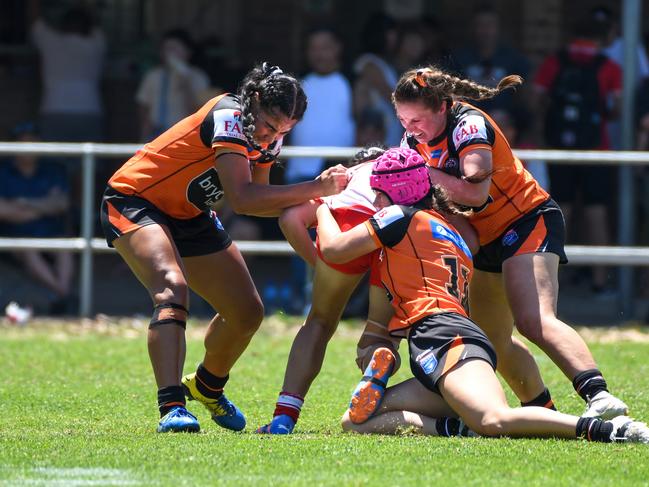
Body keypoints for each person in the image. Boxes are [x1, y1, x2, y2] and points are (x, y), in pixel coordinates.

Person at [317, 147, 649, 444]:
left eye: (376, 193)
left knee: (494, 419)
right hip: (441, 338)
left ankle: (610, 430)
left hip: (444, 335)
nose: (373, 202)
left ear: (395, 192)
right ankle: (455, 428)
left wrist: (323, 206)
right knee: (356, 421)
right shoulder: (449, 229)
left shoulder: (397, 216)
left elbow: (333, 250)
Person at [99, 62, 348, 433]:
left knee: (246, 312)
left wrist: (323, 210)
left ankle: (207, 386)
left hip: (189, 214)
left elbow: (261, 198)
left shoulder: (269, 134)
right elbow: (243, 198)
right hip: (136, 200)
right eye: (268, 123)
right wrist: (316, 188)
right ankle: (172, 407)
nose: (271, 135)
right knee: (172, 289)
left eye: (284, 130)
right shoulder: (229, 115)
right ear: (255, 100)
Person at [391, 65, 629, 419]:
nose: (410, 130)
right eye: (403, 120)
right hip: (483, 236)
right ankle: (542, 410)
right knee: (491, 342)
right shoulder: (413, 140)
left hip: (526, 219)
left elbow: (475, 191)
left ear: (442, 107)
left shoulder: (468, 124)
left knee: (534, 320)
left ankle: (599, 396)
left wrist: (423, 174)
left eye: (417, 121)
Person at [256, 146, 400, 434]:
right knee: (380, 333)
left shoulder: (343, 178)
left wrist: (318, 262)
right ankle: (375, 362)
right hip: (398, 227)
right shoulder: (406, 168)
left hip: (347, 221)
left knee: (320, 322)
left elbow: (289, 219)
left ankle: (284, 416)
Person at [532, 17, 622, 294]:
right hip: (597, 150)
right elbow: (617, 108)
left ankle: (552, 283)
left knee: (560, 212)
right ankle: (600, 282)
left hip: (560, 149)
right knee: (596, 213)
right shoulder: (609, 67)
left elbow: (535, 99)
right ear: (604, 36)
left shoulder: (555, 61)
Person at [283, 25, 356, 310]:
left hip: (341, 176)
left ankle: (335, 298)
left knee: (338, 236)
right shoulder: (299, 86)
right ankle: (300, 298)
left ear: (337, 48)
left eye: (325, 46)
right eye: (313, 48)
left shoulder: (350, 83)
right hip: (302, 173)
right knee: (298, 233)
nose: (319, 53)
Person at [0, 122, 75, 315]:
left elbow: (61, 203)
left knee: (64, 247)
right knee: (29, 249)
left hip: (50, 232)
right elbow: (5, 211)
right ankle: (63, 294)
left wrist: (23, 203)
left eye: (32, 142)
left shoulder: (52, 169)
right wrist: (44, 205)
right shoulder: (3, 171)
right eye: (22, 143)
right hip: (17, 235)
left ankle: (60, 294)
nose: (28, 148)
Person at [28, 0, 105, 143]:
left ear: (62, 26)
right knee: (88, 161)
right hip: (89, 110)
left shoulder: (50, 41)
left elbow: (35, 22)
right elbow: (96, 20)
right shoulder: (96, 44)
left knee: (55, 160)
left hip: (54, 108)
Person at [136, 29, 210, 141]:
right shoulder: (153, 76)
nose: (169, 54)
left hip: (184, 134)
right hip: (156, 132)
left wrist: (186, 82)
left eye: (174, 49)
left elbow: (200, 111)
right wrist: (144, 132)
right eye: (166, 49)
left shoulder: (199, 77)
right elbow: (144, 106)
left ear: (188, 52)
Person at [352, 12, 403, 146]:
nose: (395, 38)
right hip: (377, 129)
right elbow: (388, 93)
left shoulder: (383, 62)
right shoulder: (369, 63)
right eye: (391, 33)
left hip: (388, 127)